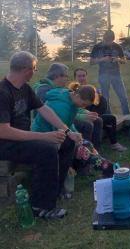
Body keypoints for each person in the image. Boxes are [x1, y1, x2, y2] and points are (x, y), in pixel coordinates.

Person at [0, 52, 82, 219]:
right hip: (6, 144)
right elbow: (4, 131)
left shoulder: (25, 88)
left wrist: (68, 132)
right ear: (25, 69)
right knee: (48, 150)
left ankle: (56, 190)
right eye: (34, 68)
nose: (35, 72)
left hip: (22, 139)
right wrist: (44, 136)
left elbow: (44, 110)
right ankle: (41, 206)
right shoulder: (3, 92)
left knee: (66, 142)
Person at [32, 82, 113, 178]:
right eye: (83, 104)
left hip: (60, 134)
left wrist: (76, 134)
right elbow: (58, 133)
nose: (82, 107)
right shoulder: (61, 107)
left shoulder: (71, 98)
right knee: (82, 150)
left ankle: (103, 167)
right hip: (44, 136)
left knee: (87, 144)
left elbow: (68, 124)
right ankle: (107, 168)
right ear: (77, 95)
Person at [34, 63, 102, 150]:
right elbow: (51, 115)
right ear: (58, 76)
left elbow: (71, 108)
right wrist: (82, 117)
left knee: (96, 121)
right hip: (45, 129)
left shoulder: (59, 90)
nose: (67, 80)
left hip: (59, 125)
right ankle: (81, 154)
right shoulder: (43, 90)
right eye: (66, 76)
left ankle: (87, 152)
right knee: (86, 126)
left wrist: (86, 112)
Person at [74, 68, 127, 152]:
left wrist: (99, 97)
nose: (82, 78)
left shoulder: (91, 89)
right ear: (75, 78)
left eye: (83, 76)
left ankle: (114, 144)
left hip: (94, 114)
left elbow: (101, 104)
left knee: (111, 118)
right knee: (97, 121)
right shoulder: (73, 91)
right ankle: (94, 149)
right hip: (81, 117)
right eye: (79, 76)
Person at [90, 29, 130, 115]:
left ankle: (127, 115)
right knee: (105, 98)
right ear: (104, 38)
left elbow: (124, 60)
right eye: (108, 41)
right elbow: (91, 62)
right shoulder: (97, 47)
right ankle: (108, 116)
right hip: (103, 75)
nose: (109, 43)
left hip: (116, 74)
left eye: (111, 41)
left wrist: (118, 59)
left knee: (123, 96)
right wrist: (103, 59)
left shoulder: (117, 47)